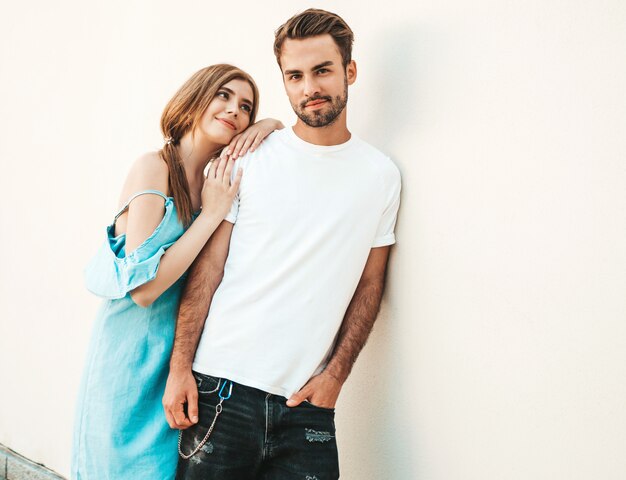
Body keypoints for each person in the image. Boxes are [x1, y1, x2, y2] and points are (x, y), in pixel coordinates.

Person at [163, 9, 402, 479]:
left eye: (322, 70)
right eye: (295, 75)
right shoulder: (249, 159)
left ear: (350, 72)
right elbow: (208, 270)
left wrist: (335, 377)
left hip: (307, 407)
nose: (309, 87)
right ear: (285, 82)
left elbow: (371, 285)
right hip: (220, 390)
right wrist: (180, 367)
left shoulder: (381, 175)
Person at [72, 64, 283, 479]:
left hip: (178, 364)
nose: (234, 110)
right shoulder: (153, 167)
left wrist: (273, 124)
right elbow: (143, 290)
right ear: (196, 97)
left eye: (246, 106)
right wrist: (213, 213)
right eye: (223, 95)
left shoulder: (215, 182)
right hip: (127, 361)